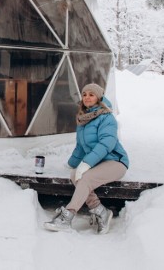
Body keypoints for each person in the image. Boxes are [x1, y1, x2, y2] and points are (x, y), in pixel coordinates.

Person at [44, 83, 129, 234]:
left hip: (115, 161)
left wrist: (86, 163)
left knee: (85, 178)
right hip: (98, 162)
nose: (87, 98)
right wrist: (72, 164)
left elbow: (106, 144)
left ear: (99, 97)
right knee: (74, 175)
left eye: (91, 94)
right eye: (84, 95)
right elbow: (80, 147)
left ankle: (68, 216)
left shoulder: (107, 118)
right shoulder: (83, 120)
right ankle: (100, 210)